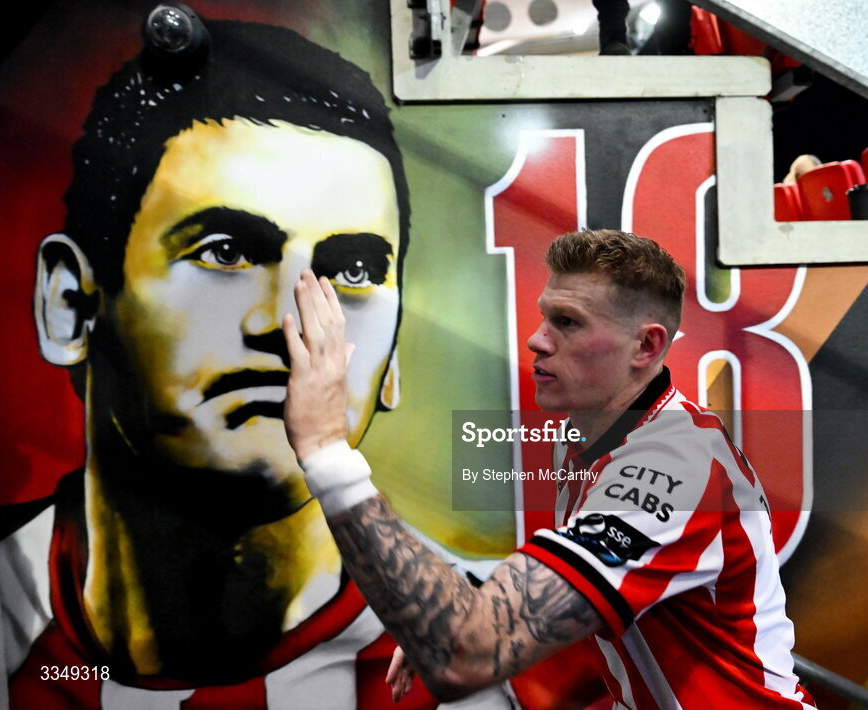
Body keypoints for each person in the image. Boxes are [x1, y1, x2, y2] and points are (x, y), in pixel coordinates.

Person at [0, 11, 504, 708]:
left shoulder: (490, 661)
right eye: (226, 253)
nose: (289, 323)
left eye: (351, 271)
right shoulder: (5, 613)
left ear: (392, 357)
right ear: (71, 305)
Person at [285, 229, 818, 708]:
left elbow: (465, 652)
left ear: (647, 345)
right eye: (545, 316)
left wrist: (326, 449)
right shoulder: (592, 433)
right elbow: (573, 576)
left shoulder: (675, 464)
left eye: (568, 323)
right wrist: (451, 597)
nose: (538, 340)